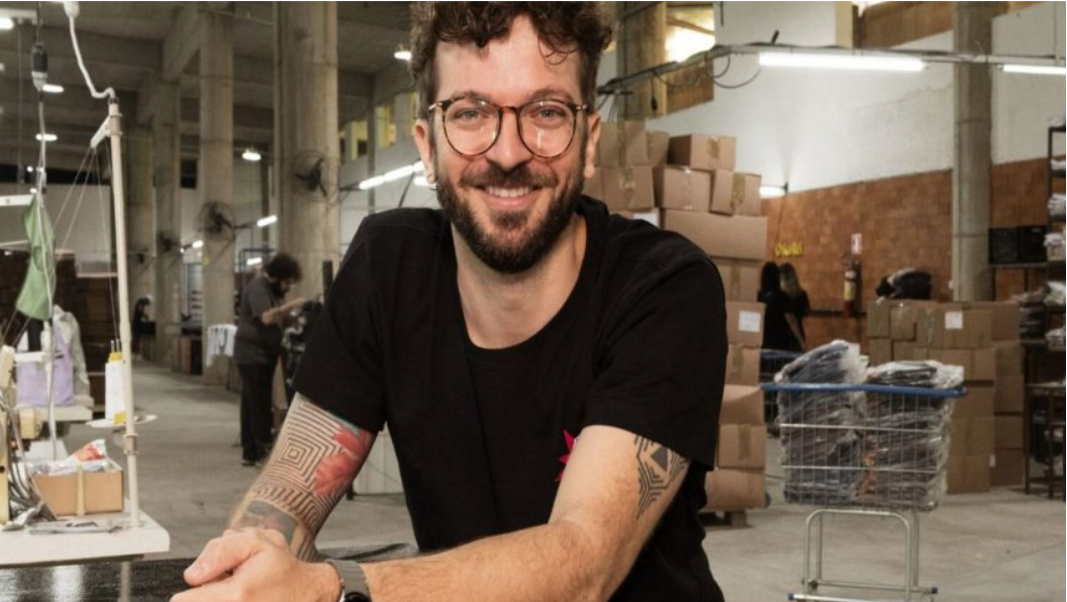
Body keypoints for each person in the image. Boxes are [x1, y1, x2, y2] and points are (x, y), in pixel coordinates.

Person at [175, 4, 726, 601]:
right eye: (470, 113)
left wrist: (332, 587)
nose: (508, 153)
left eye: (546, 112)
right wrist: (248, 563)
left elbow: (582, 564)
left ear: (589, 141)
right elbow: (286, 497)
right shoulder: (389, 268)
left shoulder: (664, 287)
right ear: (427, 144)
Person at [233, 253, 305, 467]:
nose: (288, 288)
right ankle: (262, 452)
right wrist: (291, 306)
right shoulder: (258, 288)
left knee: (250, 402)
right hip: (253, 354)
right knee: (259, 403)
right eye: (287, 283)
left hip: (261, 353)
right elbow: (266, 317)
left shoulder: (270, 290)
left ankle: (250, 452)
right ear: (276, 277)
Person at [758, 262, 803, 352]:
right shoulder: (782, 297)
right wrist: (801, 341)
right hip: (780, 341)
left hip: (763, 340)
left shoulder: (759, 296)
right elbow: (791, 320)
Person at [779, 263, 810, 350]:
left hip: (781, 336)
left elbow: (790, 319)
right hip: (797, 336)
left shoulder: (780, 296)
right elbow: (807, 312)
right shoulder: (801, 294)